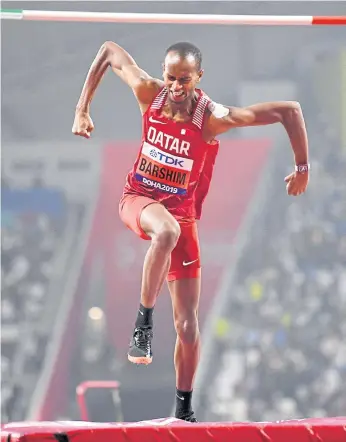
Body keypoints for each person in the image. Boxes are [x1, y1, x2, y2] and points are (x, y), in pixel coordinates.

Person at [72, 40, 309, 422]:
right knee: (165, 232)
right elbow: (109, 51)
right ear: (162, 74)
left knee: (187, 326)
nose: (177, 87)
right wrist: (82, 108)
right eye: (171, 78)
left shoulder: (212, 117)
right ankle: (143, 324)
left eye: (185, 80)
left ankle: (184, 410)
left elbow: (289, 110)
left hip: (182, 216)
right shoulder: (149, 92)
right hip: (138, 200)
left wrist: (302, 167)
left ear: (199, 78)